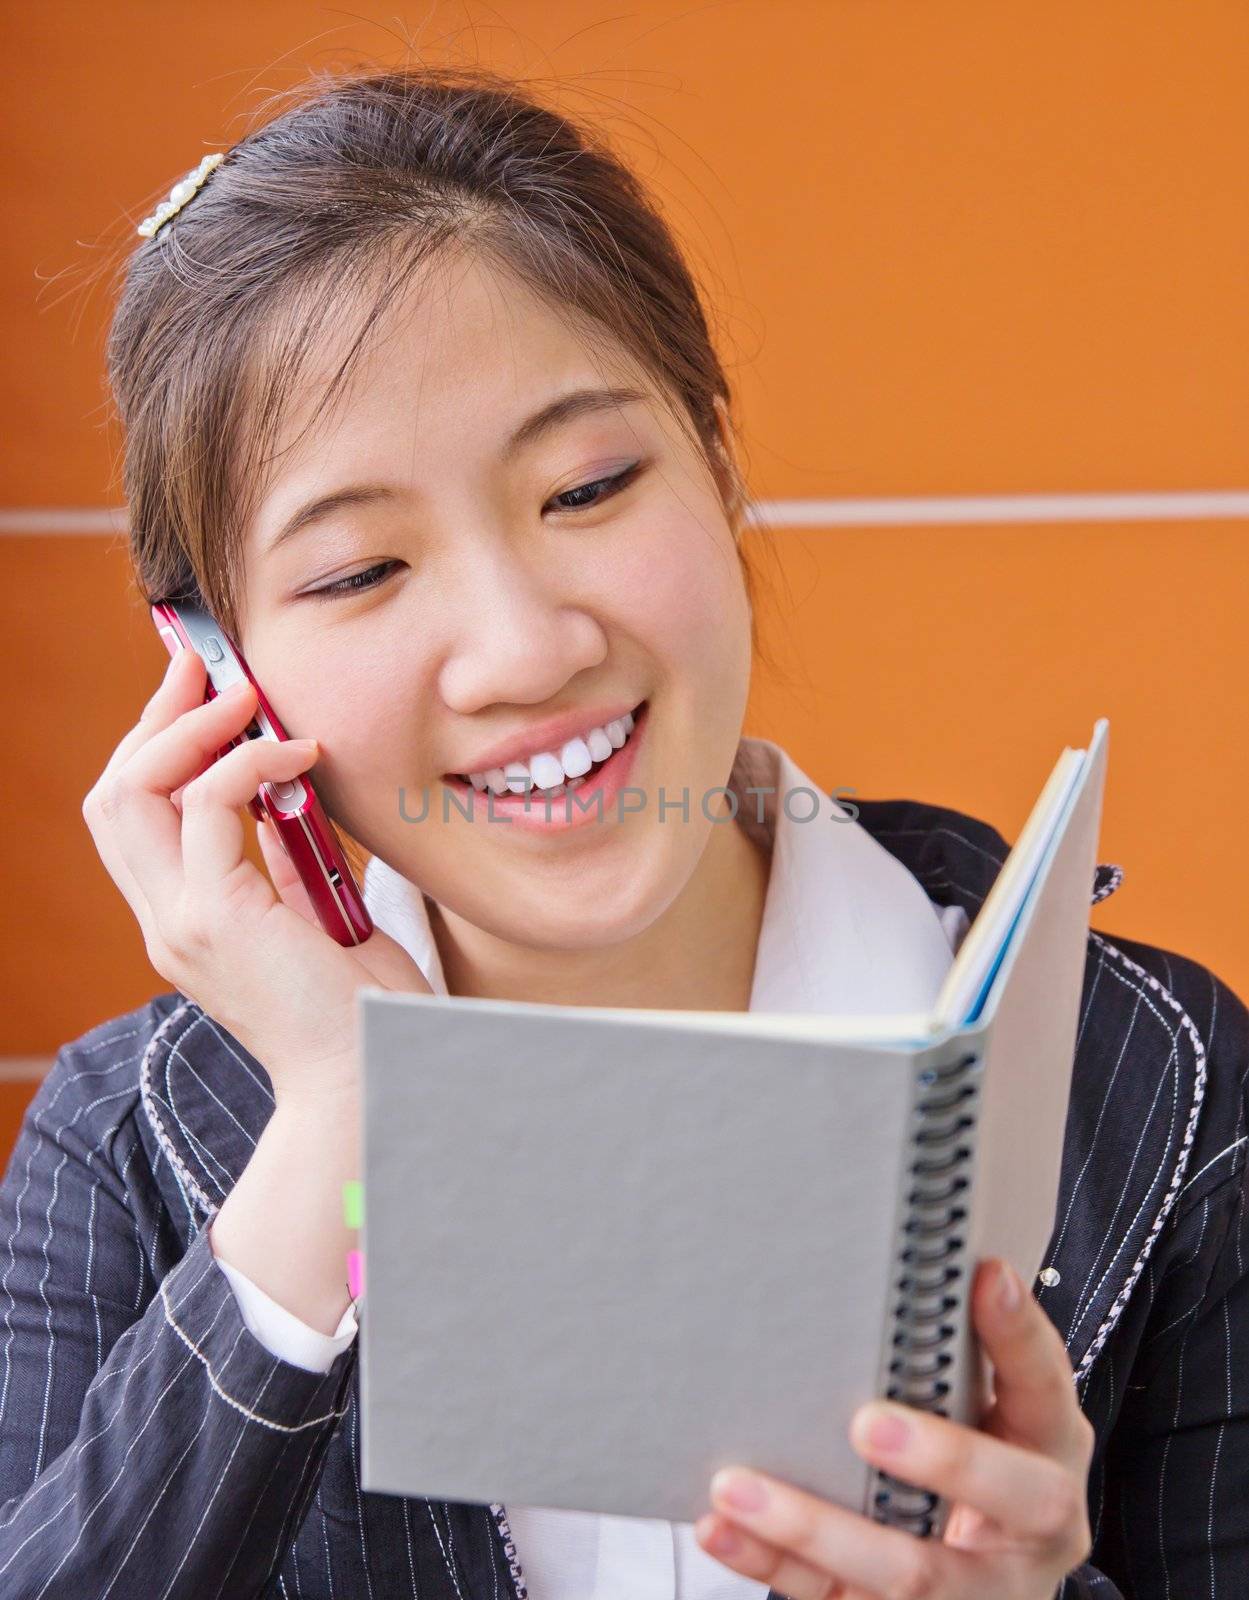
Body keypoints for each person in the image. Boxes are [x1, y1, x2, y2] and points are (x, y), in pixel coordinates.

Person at [1, 64, 1245, 1600]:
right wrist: (340, 1117)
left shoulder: (1152, 1076)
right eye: (360, 571)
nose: (523, 651)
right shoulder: (128, 1139)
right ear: (220, 669)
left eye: (586, 486)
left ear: (715, 462)